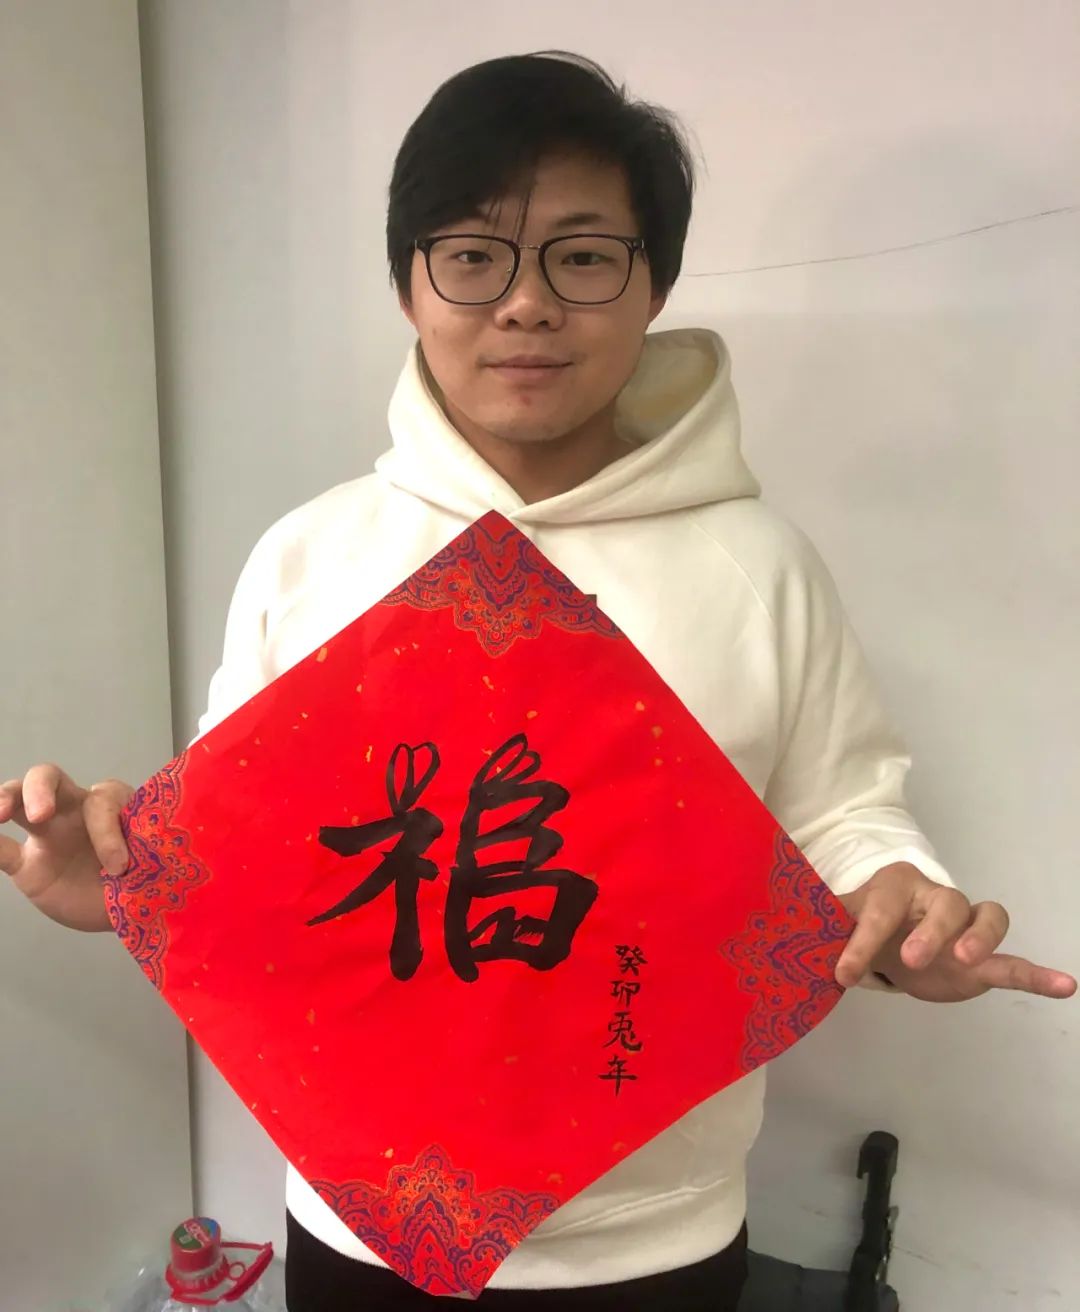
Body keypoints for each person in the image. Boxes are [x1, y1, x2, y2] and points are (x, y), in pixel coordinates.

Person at [1, 51, 1074, 1312]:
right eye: (473, 254)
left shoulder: (759, 566)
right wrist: (116, 886)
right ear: (409, 284)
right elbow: (249, 855)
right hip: (357, 1224)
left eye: (582, 257)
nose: (525, 305)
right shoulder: (310, 556)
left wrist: (901, 904)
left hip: (656, 1232)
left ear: (653, 283)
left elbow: (844, 812)